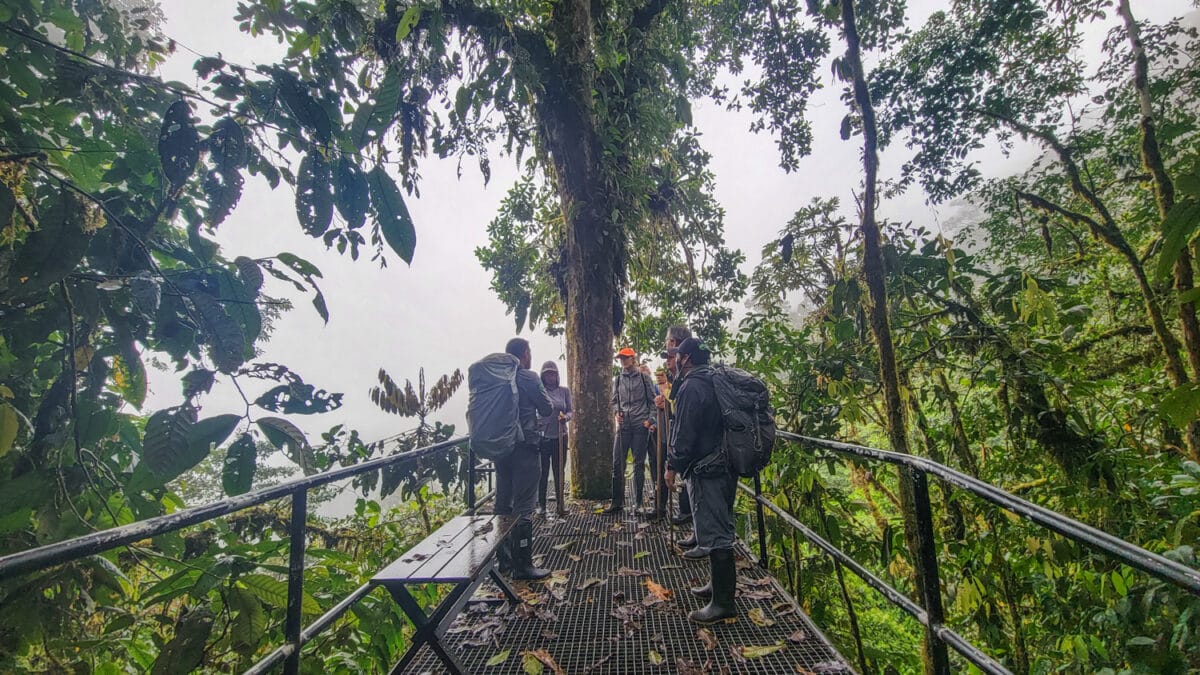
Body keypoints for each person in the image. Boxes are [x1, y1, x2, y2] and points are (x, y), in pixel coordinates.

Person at [665, 337, 738, 625]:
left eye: (678, 357)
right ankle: (715, 587)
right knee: (718, 526)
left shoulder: (692, 386)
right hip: (726, 464)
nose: (676, 362)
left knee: (717, 533)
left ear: (687, 359)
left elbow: (684, 434)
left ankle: (723, 603)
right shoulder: (715, 380)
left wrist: (671, 466)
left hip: (708, 469)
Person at [495, 338, 554, 580]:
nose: (531, 356)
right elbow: (547, 407)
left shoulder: (498, 378)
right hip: (526, 448)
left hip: (502, 448)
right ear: (524, 355)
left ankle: (504, 561)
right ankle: (524, 565)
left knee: (502, 503)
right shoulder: (529, 377)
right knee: (524, 507)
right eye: (529, 352)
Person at [603, 347, 659, 514]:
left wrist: (650, 420)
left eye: (626, 358)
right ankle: (616, 503)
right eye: (621, 358)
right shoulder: (618, 380)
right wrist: (616, 413)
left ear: (633, 359)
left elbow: (653, 402)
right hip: (624, 426)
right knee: (617, 463)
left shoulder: (644, 378)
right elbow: (613, 401)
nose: (623, 360)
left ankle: (638, 503)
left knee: (638, 464)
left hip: (640, 425)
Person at [536, 360, 573, 518]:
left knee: (559, 470)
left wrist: (566, 417)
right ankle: (542, 506)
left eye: (553, 373)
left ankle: (560, 504)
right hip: (544, 437)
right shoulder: (539, 391)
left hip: (560, 436)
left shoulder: (564, 391)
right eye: (547, 374)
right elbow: (534, 410)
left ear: (557, 375)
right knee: (543, 472)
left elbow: (571, 410)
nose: (550, 377)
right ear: (543, 376)